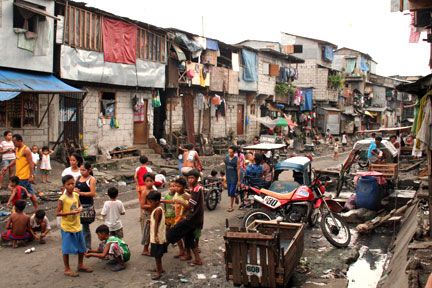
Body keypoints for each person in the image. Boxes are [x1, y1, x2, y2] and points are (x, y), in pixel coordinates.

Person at [57, 174, 92, 277]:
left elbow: (80, 205)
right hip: (67, 226)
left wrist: (80, 209)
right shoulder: (62, 199)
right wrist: (70, 213)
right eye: (69, 184)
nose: (71, 186)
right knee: (66, 249)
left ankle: (80, 265)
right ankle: (67, 268)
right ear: (64, 186)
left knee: (82, 246)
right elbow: (58, 213)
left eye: (73, 183)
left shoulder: (76, 195)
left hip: (77, 225)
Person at [167, 169, 203, 266]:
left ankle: (165, 246)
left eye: (192, 178)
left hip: (192, 218)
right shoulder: (194, 188)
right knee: (188, 237)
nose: (190, 180)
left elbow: (192, 205)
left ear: (196, 178)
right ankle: (194, 257)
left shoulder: (196, 189)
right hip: (192, 217)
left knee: (175, 232)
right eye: (189, 178)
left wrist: (184, 200)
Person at [2, 134, 37, 210]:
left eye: (14, 142)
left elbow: (31, 163)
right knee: (31, 194)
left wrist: (31, 176)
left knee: (18, 196)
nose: (13, 143)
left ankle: (18, 212)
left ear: (20, 141)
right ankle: (36, 210)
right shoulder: (17, 149)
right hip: (19, 176)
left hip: (24, 177)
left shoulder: (26, 150)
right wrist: (7, 166)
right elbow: (16, 160)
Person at [75, 162, 96, 250]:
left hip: (86, 206)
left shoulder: (91, 179)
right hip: (77, 205)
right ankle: (79, 245)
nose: (81, 172)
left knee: (85, 227)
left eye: (83, 170)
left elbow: (93, 193)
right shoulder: (79, 178)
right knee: (77, 227)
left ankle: (87, 247)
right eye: (80, 170)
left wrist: (80, 193)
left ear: (89, 170)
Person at [148, 190, 167, 280]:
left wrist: (155, 235)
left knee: (157, 256)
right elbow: (156, 221)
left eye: (151, 202)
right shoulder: (159, 208)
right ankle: (160, 268)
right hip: (159, 236)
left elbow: (156, 224)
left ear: (157, 201)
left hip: (157, 237)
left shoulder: (158, 211)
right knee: (158, 255)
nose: (150, 204)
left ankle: (159, 272)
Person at [140, 172, 157, 256]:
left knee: (152, 232)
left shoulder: (154, 190)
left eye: (151, 180)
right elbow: (142, 205)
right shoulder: (144, 192)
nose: (149, 182)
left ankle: (149, 248)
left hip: (153, 214)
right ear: (144, 182)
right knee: (146, 232)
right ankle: (145, 249)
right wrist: (151, 205)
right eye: (147, 181)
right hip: (147, 215)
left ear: (154, 181)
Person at [224, 146, 240, 212]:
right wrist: (225, 175)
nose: (229, 153)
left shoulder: (237, 159)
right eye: (229, 152)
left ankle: (231, 206)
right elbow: (226, 167)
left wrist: (238, 180)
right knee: (230, 191)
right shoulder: (226, 158)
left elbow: (238, 170)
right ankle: (236, 195)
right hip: (228, 176)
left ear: (234, 152)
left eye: (231, 152)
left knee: (231, 191)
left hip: (234, 176)